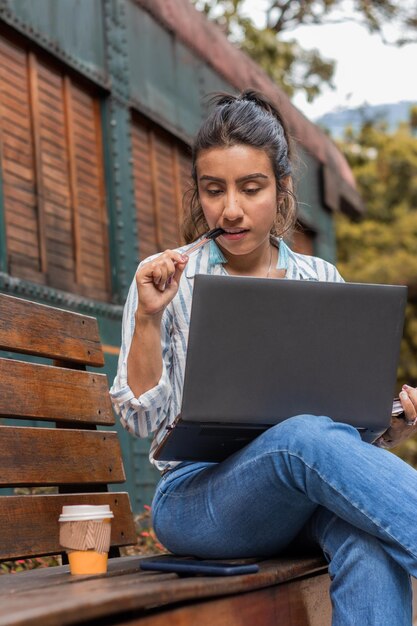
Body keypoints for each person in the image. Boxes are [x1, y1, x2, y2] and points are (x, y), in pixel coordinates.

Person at [111, 91, 417, 625]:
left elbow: (343, 437)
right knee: (301, 436)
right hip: (197, 500)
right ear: (199, 195)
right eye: (214, 190)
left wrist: (390, 426)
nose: (230, 209)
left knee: (363, 535)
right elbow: (140, 420)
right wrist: (148, 318)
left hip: (298, 500)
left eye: (250, 188)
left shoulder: (322, 281)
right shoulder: (164, 279)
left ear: (280, 190)